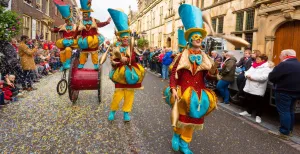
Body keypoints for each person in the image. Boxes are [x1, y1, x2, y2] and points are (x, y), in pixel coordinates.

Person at [163, 4, 217, 153]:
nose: (198, 39)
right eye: (195, 37)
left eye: (200, 37)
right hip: (182, 91)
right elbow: (174, 73)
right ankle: (176, 135)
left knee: (193, 119)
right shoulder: (181, 56)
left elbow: (207, 76)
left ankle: (185, 143)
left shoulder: (205, 57)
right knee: (181, 118)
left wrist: (213, 71)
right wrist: (173, 88)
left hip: (198, 93)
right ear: (190, 39)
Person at [107, 8, 145, 122]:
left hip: (131, 74)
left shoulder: (132, 47)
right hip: (120, 75)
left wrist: (128, 59)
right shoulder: (116, 48)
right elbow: (112, 61)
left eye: (127, 37)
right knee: (117, 95)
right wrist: (118, 60)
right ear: (120, 38)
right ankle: (113, 111)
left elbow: (134, 58)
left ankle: (126, 113)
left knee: (129, 95)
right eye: (123, 38)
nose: (125, 39)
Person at [268, 49, 300, 140]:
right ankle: (289, 131)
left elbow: (272, 77)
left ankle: (284, 132)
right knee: (290, 111)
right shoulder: (298, 64)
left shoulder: (284, 64)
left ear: (286, 55)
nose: (279, 56)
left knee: (284, 111)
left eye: (281, 54)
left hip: (284, 91)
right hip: (296, 92)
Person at [77, 0, 111, 70]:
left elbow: (100, 24)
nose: (84, 16)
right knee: (83, 53)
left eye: (86, 14)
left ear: (89, 14)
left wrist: (106, 22)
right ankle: (81, 64)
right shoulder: (80, 22)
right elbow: (77, 31)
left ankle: (95, 64)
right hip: (84, 41)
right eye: (83, 14)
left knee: (94, 52)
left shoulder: (94, 21)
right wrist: (73, 37)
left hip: (93, 40)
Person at [239, 54, 273, 123]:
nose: (256, 60)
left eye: (258, 59)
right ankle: (248, 112)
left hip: (258, 87)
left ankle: (258, 116)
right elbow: (247, 72)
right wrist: (247, 75)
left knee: (259, 102)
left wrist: (251, 77)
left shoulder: (267, 68)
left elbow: (264, 78)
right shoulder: (254, 65)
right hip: (250, 86)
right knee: (249, 100)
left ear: (263, 60)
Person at [51, 0, 78, 71]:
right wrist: (52, 29)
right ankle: (64, 64)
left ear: (71, 20)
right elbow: (56, 30)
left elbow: (80, 32)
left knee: (68, 49)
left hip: (71, 42)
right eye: (67, 20)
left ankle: (67, 63)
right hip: (64, 42)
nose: (68, 22)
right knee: (62, 52)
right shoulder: (63, 26)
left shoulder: (75, 27)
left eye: (69, 20)